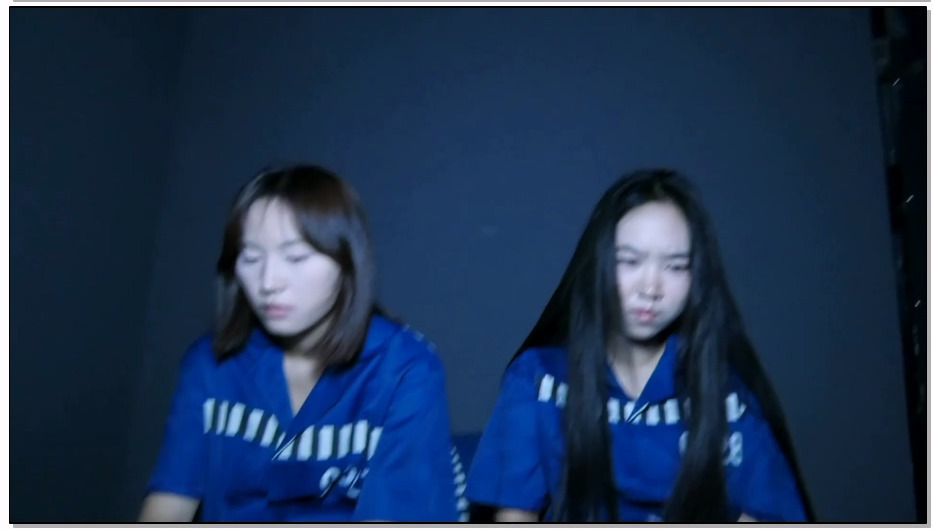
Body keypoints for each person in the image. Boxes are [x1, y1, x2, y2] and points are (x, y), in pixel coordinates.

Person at [465, 169, 815, 523]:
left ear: (697, 277)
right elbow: (515, 515)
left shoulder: (725, 395)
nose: (650, 288)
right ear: (597, 263)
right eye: (629, 261)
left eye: (675, 266)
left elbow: (764, 512)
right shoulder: (539, 381)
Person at [139, 165, 464, 522]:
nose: (268, 282)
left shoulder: (405, 368)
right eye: (251, 257)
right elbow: (170, 501)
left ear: (346, 261)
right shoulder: (209, 363)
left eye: (296, 257)